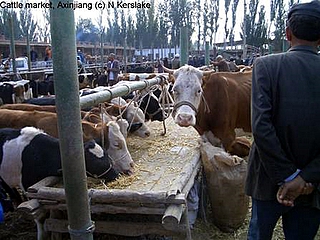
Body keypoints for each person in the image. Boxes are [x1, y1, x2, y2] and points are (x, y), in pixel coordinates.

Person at [246, 1, 320, 240]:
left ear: (288, 34)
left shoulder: (265, 66)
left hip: (268, 181)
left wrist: (287, 177)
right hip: (311, 186)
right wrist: (304, 178)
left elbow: (260, 126)